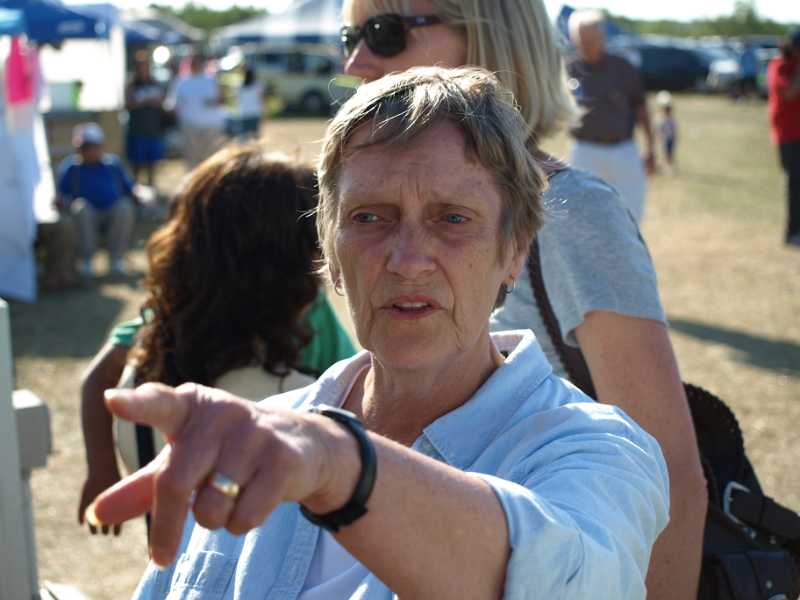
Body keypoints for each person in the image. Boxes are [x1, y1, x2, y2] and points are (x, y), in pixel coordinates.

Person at [88, 66, 668, 599]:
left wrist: (343, 467)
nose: (408, 260)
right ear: (329, 249)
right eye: (369, 217)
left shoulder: (593, 448)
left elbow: (570, 580)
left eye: (453, 218)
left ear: (514, 251)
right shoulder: (260, 440)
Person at [340, 2, 706, 599]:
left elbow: (670, 477)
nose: (356, 61)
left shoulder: (573, 210)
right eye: (350, 36)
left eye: (385, 33)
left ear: (488, 35)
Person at [77, 145, 356, 535]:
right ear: (293, 267)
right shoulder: (312, 324)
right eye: (316, 249)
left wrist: (102, 469)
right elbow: (363, 411)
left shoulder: (168, 320)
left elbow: (100, 378)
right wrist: (102, 471)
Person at [566, 9, 656, 224]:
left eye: (591, 40)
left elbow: (641, 109)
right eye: (582, 41)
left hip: (622, 151)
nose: (586, 46)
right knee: (583, 217)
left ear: (602, 37)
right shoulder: (568, 70)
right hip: (584, 151)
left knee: (630, 216)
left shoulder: (623, 67)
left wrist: (651, 147)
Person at [57, 122, 136, 277]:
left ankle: (116, 260)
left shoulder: (113, 164)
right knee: (81, 207)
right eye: (83, 147)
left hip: (111, 212)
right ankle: (86, 260)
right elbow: (61, 194)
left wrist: (141, 195)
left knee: (125, 207)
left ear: (100, 147)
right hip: (87, 215)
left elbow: (130, 188)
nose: (85, 151)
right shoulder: (71, 168)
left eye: (90, 146)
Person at [767, 30, 800, 248]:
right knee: (795, 181)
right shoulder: (780, 65)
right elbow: (789, 92)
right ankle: (792, 232)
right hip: (787, 134)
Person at [167, 54, 226, 168]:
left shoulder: (212, 80)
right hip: (191, 125)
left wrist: (213, 102)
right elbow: (173, 105)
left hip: (211, 126)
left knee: (211, 161)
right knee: (192, 161)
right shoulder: (181, 82)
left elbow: (221, 100)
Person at [125, 53, 166, 186]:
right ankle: (136, 186)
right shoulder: (132, 85)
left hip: (153, 129)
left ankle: (151, 185)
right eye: (140, 65)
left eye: (145, 65)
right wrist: (145, 101)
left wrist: (151, 101)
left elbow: (162, 101)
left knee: (152, 162)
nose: (143, 68)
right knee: (136, 162)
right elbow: (129, 104)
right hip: (137, 129)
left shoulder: (155, 83)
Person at [236, 66, 264, 140]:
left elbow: (238, 99)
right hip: (255, 112)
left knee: (244, 135)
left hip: (244, 112)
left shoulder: (239, 85)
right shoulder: (257, 85)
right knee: (255, 135)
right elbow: (261, 99)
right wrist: (263, 109)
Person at [656, 90, 677, 173]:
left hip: (670, 139)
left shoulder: (671, 119)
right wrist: (660, 136)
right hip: (665, 139)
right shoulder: (662, 119)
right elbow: (660, 129)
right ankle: (663, 167)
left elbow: (674, 129)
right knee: (664, 153)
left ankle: (670, 167)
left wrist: (675, 136)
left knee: (670, 153)